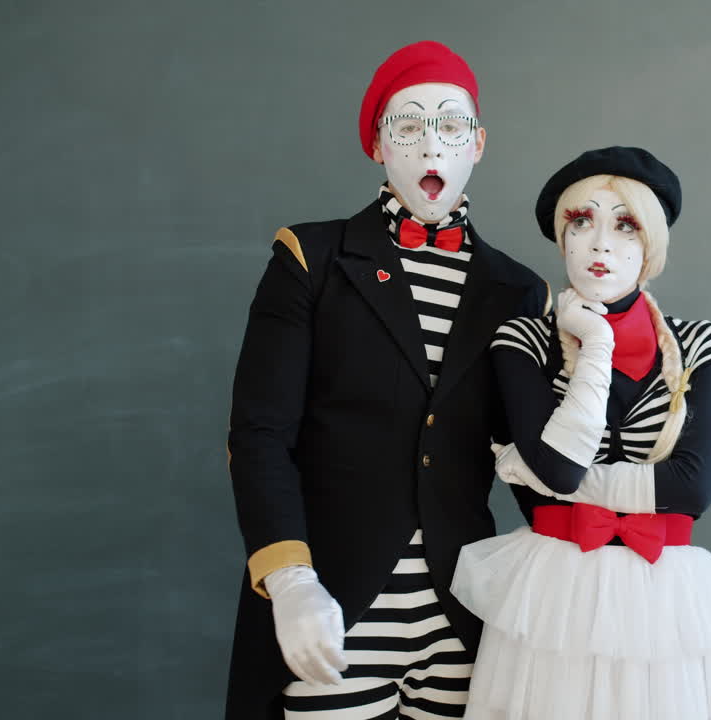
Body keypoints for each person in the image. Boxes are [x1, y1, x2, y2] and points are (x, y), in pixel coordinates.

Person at [225, 41, 550, 719]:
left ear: (479, 144)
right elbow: (259, 434)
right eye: (408, 126)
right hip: (333, 611)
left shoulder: (520, 291)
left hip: (463, 619)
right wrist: (289, 580)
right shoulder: (311, 259)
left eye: (451, 125)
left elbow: (531, 458)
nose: (432, 146)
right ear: (378, 144)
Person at [451, 146, 711, 719]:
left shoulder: (701, 345)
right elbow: (558, 469)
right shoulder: (524, 340)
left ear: (651, 243)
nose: (601, 243)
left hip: (668, 598)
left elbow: (693, 489)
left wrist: (533, 470)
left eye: (625, 225)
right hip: (553, 593)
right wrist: (596, 345)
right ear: (562, 237)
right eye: (582, 221)